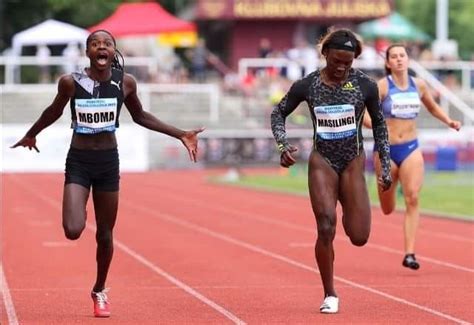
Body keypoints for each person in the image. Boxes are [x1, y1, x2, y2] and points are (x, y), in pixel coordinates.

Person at [11, 30, 204, 318]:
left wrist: (180, 134)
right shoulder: (71, 82)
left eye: (107, 43)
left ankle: (99, 289)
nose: (101, 47)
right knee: (73, 229)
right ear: (88, 52)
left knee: (105, 234)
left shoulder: (125, 83)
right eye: (95, 44)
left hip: (107, 163)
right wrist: (31, 134)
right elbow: (53, 111)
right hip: (79, 161)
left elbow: (140, 116)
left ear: (113, 51)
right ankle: (80, 204)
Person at [271, 28, 392, 314]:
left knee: (359, 236)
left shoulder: (365, 86)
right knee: (325, 226)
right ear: (325, 53)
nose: (342, 67)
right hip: (322, 161)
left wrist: (384, 165)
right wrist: (282, 145)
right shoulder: (308, 85)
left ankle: (351, 209)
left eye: (348, 63)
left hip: (352, 161)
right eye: (337, 61)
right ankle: (330, 294)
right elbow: (278, 112)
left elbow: (380, 125)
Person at [363, 44, 461, 270]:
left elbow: (433, 107)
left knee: (413, 197)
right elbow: (364, 113)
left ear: (408, 59)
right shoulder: (382, 87)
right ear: (388, 63)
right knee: (387, 207)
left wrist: (449, 121)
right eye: (394, 57)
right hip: (386, 151)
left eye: (402, 56)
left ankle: (410, 253)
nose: (398, 59)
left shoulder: (419, 85)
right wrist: (376, 127)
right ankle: (388, 195)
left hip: (410, 148)